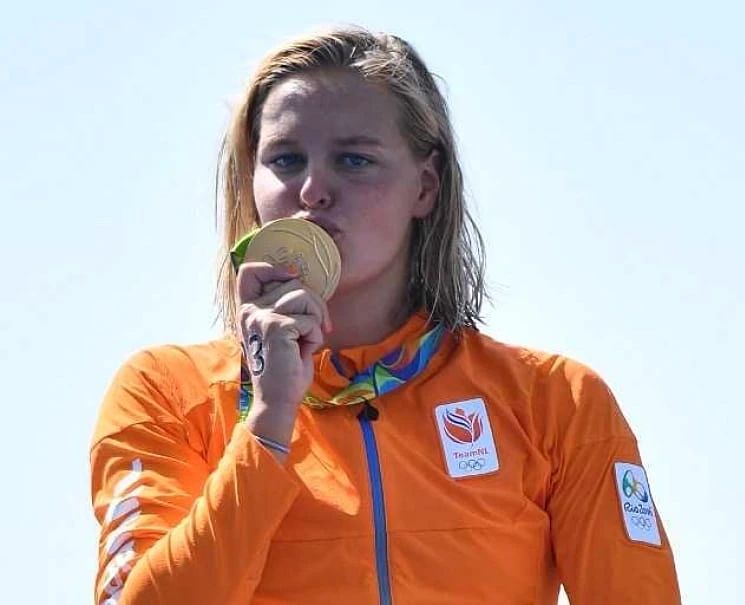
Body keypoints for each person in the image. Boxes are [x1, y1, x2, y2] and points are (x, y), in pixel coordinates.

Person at [90, 26, 681, 605]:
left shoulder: (555, 401)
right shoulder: (167, 391)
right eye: (286, 159)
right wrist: (268, 423)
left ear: (425, 186)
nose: (313, 189)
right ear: (251, 182)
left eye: (354, 160)